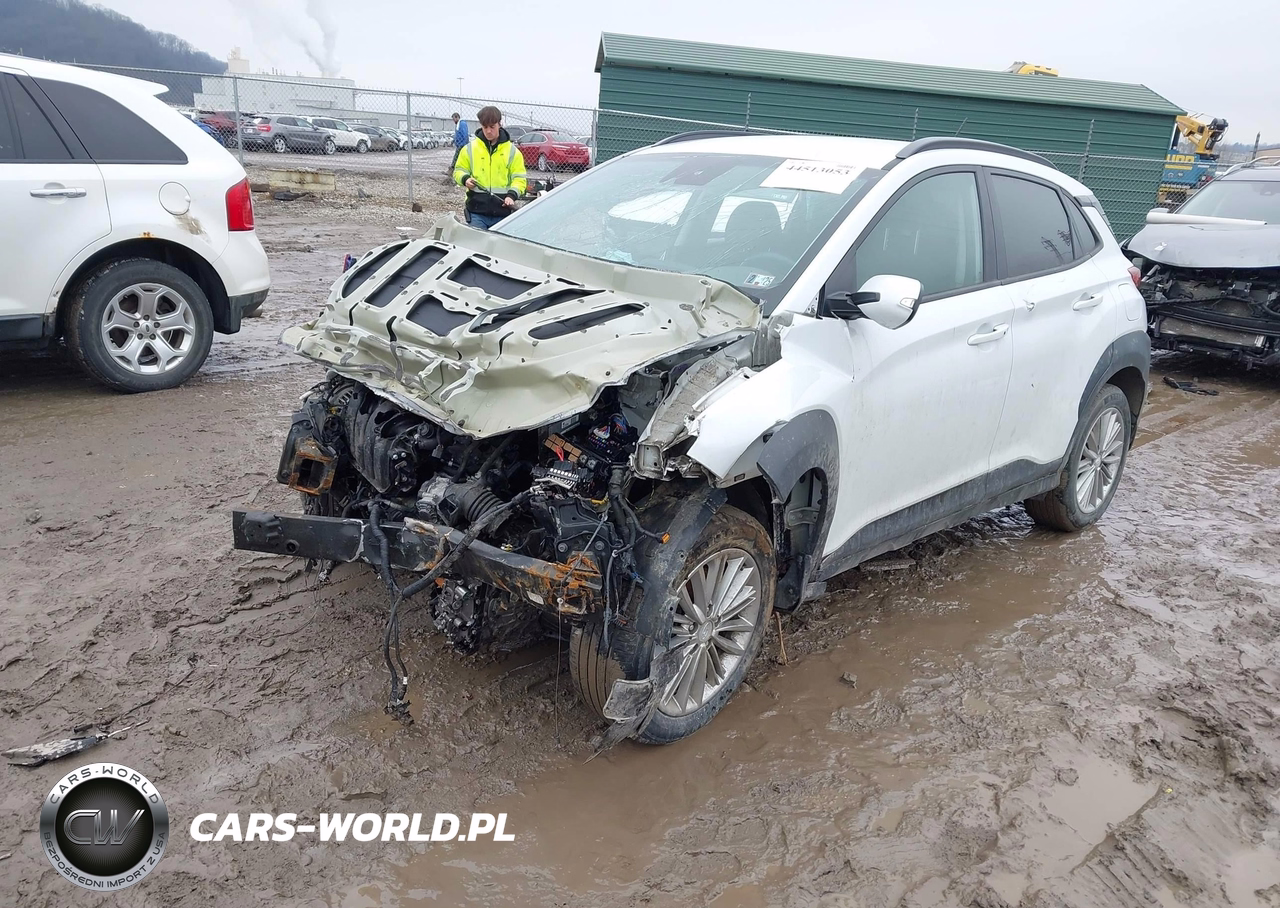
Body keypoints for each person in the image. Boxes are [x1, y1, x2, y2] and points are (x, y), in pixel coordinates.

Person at [452, 106, 527, 230]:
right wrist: (465, 179)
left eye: (492, 127)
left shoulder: (513, 152)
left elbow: (519, 179)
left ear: (500, 124)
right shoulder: (469, 149)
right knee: (477, 241)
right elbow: (459, 171)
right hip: (476, 212)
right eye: (485, 127)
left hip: (503, 214)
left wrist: (511, 196)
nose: (488, 131)